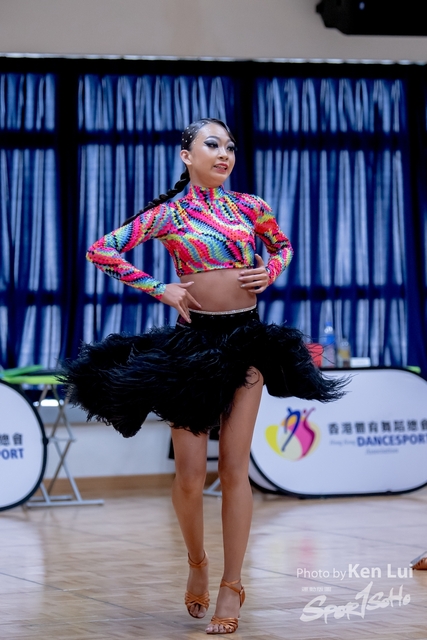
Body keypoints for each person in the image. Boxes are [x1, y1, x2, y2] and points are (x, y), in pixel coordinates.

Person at [61, 118, 345, 634]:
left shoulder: (251, 207)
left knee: (235, 468)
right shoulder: (168, 215)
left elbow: (282, 247)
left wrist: (271, 270)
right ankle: (197, 562)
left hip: (247, 341)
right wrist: (159, 287)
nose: (224, 153)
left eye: (230, 146)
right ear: (186, 155)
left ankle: (232, 586)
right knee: (190, 476)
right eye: (212, 144)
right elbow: (101, 250)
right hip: (191, 347)